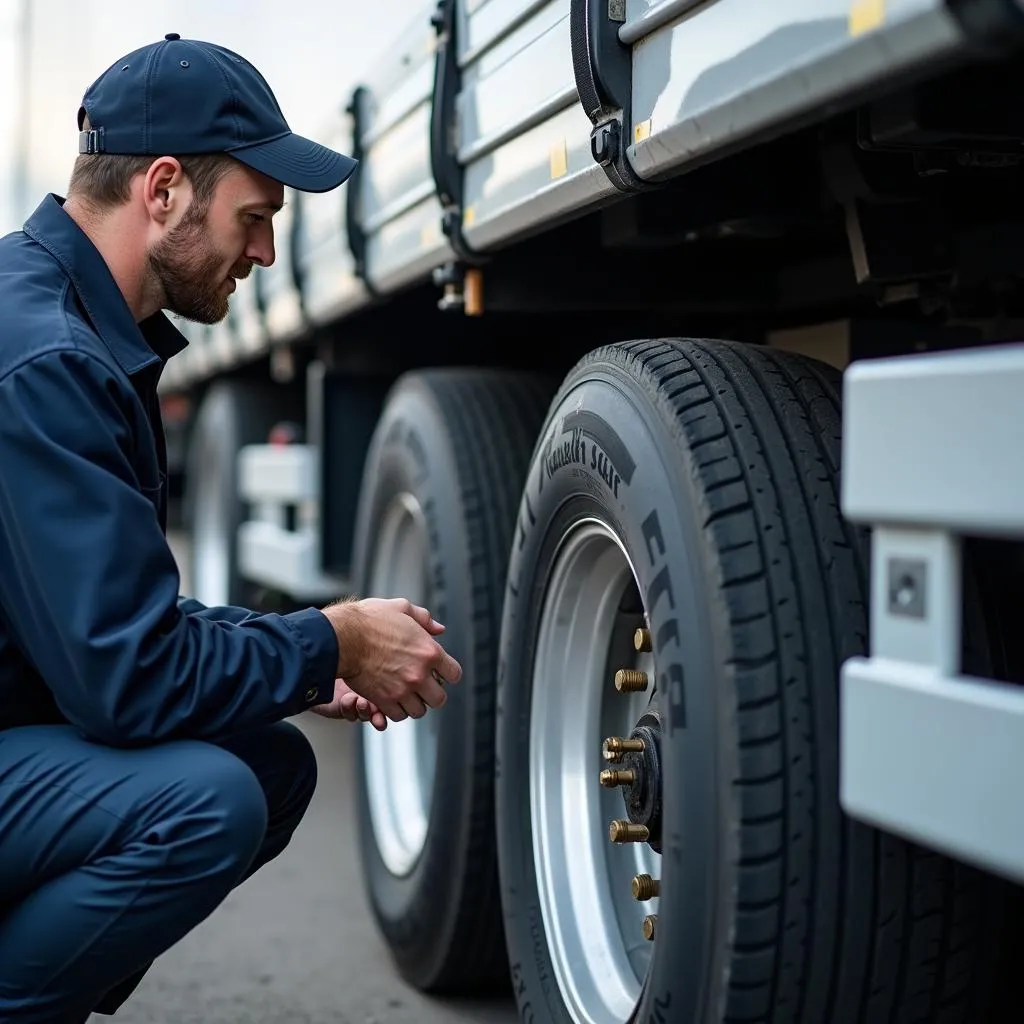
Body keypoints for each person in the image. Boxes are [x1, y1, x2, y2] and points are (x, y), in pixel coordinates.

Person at [0, 33, 462, 1022]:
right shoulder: (48, 362)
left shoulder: (51, 320)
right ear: (161, 190)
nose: (264, 252)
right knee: (208, 802)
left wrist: (294, 660)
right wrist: (327, 637)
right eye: (253, 219)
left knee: (265, 757)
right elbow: (123, 678)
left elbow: (97, 627)